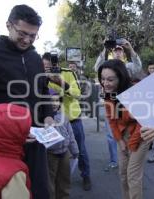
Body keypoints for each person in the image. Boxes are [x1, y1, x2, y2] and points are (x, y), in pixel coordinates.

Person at [0, 5, 54, 199]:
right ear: (8, 26)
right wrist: (8, 131)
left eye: (33, 35)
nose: (28, 40)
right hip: (2, 145)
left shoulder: (34, 57)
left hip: (36, 138)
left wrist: (48, 115)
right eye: (23, 33)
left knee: (39, 190)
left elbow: (43, 90)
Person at [98, 59, 154, 199]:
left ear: (121, 77)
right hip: (123, 136)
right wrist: (119, 141)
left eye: (110, 79)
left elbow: (143, 121)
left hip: (141, 135)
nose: (105, 83)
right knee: (123, 174)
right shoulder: (108, 93)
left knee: (132, 176)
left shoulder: (136, 89)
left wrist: (131, 144)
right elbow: (111, 119)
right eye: (102, 79)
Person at [42, 52, 92, 191]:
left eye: (50, 65)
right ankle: (57, 181)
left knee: (80, 149)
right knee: (53, 153)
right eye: (45, 66)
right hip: (51, 121)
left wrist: (61, 83)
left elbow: (77, 94)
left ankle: (86, 175)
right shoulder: (39, 77)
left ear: (56, 64)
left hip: (72, 119)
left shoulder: (68, 73)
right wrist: (45, 79)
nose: (48, 68)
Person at [47, 94, 79, 199]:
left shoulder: (63, 116)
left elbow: (70, 134)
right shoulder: (43, 118)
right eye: (51, 101)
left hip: (65, 152)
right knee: (50, 182)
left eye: (57, 100)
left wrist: (74, 150)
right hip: (50, 154)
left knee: (65, 179)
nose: (54, 103)